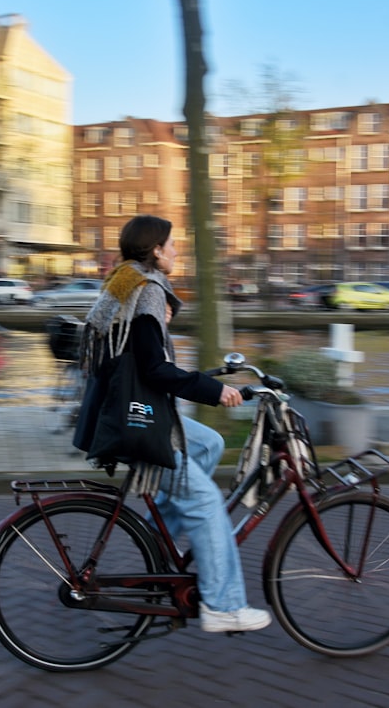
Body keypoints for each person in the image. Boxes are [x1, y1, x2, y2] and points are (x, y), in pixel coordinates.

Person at [77, 214, 271, 633]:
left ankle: (155, 537)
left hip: (119, 412)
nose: (178, 250)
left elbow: (135, 350)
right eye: (172, 244)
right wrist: (213, 391)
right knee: (205, 505)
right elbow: (155, 370)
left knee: (207, 445)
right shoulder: (144, 290)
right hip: (137, 421)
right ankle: (224, 606)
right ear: (156, 250)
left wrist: (167, 334)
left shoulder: (125, 283)